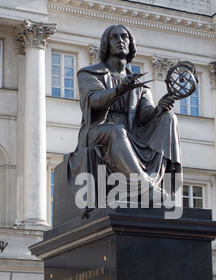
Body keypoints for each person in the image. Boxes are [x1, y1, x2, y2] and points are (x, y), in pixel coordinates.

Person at [67, 24, 182, 208]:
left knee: (169, 118)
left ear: (131, 44)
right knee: (116, 130)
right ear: (106, 44)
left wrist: (160, 109)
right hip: (96, 131)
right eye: (114, 37)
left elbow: (145, 116)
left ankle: (166, 183)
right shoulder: (89, 74)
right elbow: (94, 100)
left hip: (131, 134)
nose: (120, 40)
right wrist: (119, 90)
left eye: (124, 37)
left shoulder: (139, 84)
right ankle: (144, 187)